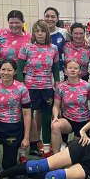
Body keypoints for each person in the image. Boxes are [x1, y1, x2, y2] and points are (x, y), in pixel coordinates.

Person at [17, 20, 59, 156]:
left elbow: (55, 68)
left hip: (47, 89)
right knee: (26, 119)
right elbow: (19, 69)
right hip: (29, 89)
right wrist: (21, 86)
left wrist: (57, 82)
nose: (40, 34)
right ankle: (22, 152)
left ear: (47, 33)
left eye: (42, 31)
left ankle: (46, 150)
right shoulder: (26, 47)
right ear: (33, 33)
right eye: (37, 31)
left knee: (46, 119)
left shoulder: (53, 48)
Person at [50, 59, 90, 151]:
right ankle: (56, 156)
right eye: (70, 68)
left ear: (80, 71)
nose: (72, 70)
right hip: (68, 121)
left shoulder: (87, 86)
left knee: (77, 150)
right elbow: (56, 106)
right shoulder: (61, 87)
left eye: (75, 68)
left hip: (84, 121)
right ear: (65, 71)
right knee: (55, 125)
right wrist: (55, 117)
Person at [43, 7, 69, 72]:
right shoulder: (38, 33)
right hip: (42, 71)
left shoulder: (63, 32)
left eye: (53, 17)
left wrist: (85, 39)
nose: (50, 19)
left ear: (57, 19)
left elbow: (76, 40)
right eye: (47, 16)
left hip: (58, 70)